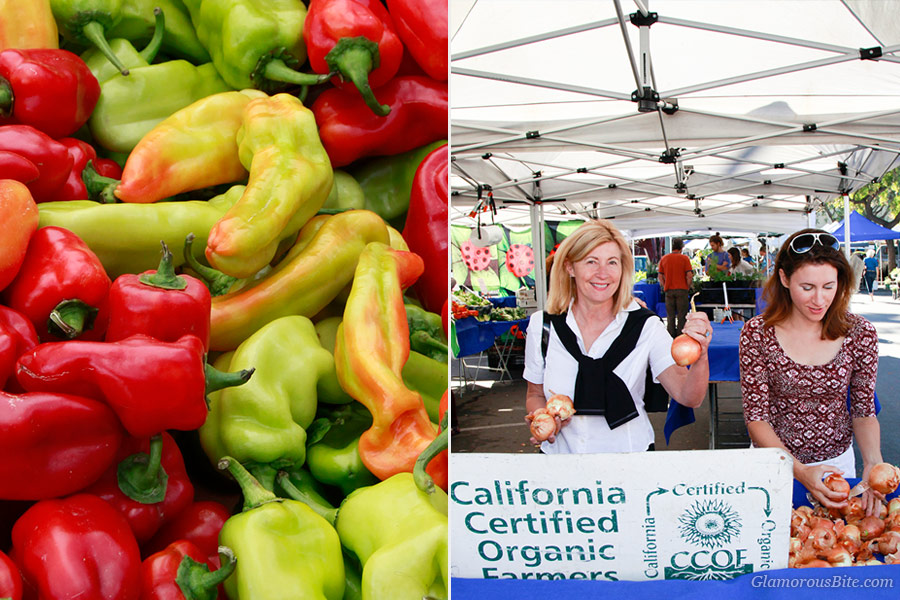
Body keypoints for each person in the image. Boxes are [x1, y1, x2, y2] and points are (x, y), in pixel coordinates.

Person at [523, 220, 712, 454]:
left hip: (630, 463)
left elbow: (688, 396)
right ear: (570, 267)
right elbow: (535, 394)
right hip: (560, 462)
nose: (603, 273)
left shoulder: (645, 326)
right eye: (591, 261)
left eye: (612, 262)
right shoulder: (543, 326)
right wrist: (542, 419)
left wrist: (701, 355)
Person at [739, 229, 882, 513]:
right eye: (807, 288)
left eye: (829, 286)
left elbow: (864, 412)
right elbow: (756, 418)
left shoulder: (861, 333)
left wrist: (873, 463)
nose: (819, 299)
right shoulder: (757, 333)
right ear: (784, 278)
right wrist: (800, 471)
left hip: (837, 466)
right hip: (774, 463)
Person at [658, 238, 695, 337]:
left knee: (670, 316)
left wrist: (664, 285)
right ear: (681, 247)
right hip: (682, 289)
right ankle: (680, 336)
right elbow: (689, 275)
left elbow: (660, 276)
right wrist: (687, 286)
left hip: (669, 290)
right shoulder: (684, 258)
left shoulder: (664, 258)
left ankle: (670, 337)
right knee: (682, 316)